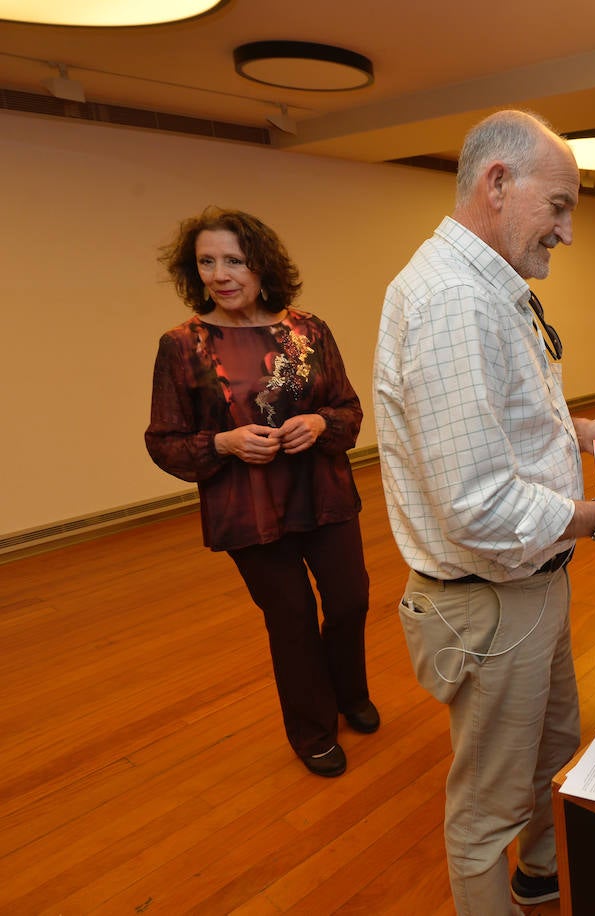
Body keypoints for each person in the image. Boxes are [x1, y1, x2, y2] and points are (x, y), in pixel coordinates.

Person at [373, 109, 595, 915]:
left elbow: (493, 424)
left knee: (552, 746)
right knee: (486, 812)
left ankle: (545, 877)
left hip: (531, 584)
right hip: (490, 600)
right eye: (559, 205)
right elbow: (478, 505)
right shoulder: (455, 301)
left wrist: (582, 431)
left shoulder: (488, 287)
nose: (569, 230)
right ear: (497, 183)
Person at [146, 207, 376, 780]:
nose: (220, 274)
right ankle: (313, 729)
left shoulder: (308, 331)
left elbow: (348, 409)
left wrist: (321, 424)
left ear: (261, 265)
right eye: (207, 262)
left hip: (323, 492)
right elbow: (164, 441)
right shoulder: (182, 345)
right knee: (292, 618)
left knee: (349, 601)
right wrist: (223, 442)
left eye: (234, 261)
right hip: (248, 509)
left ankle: (349, 693)